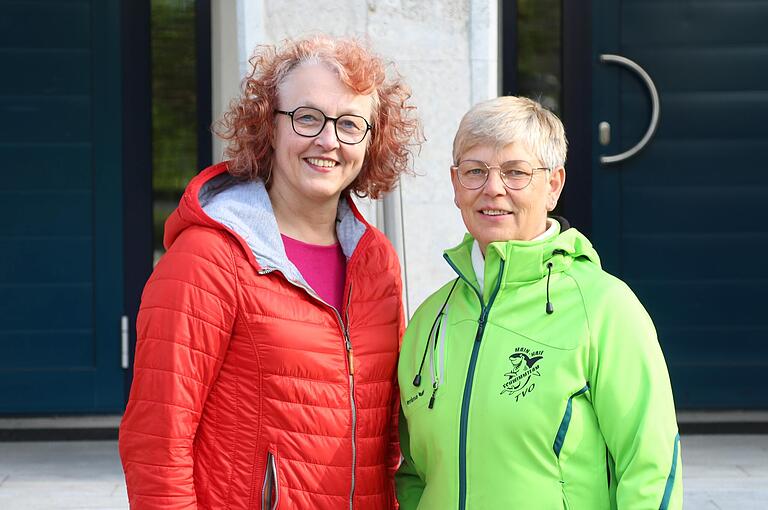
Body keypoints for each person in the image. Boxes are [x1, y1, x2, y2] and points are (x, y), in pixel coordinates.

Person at [119, 35, 421, 509]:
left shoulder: (376, 260)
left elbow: (388, 438)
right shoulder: (209, 257)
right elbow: (157, 442)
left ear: (371, 140)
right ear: (268, 125)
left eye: (350, 124)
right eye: (307, 117)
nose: (328, 140)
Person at [395, 96, 682, 509]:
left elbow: (652, 465)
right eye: (476, 171)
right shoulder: (429, 320)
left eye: (515, 172)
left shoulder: (604, 308)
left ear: (553, 185)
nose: (493, 188)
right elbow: (413, 474)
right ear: (456, 185)